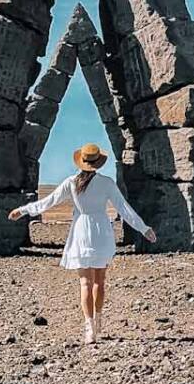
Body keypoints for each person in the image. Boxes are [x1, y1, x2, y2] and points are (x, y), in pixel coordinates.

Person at [9, 143, 155, 343]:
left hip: (81, 232)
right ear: (98, 163)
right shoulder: (107, 183)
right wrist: (143, 228)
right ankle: (99, 318)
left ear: (81, 162)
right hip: (101, 231)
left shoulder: (71, 182)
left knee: (85, 283)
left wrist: (24, 210)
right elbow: (123, 208)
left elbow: (48, 202)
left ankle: (89, 327)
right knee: (100, 281)